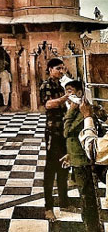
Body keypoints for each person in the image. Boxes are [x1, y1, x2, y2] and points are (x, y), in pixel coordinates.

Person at [40, 57, 75, 221]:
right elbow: (48, 104)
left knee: (64, 167)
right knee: (50, 170)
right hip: (53, 132)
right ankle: (48, 208)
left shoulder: (60, 86)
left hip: (62, 131)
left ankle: (64, 202)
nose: (61, 71)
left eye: (62, 69)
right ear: (50, 69)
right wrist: (64, 98)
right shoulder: (46, 85)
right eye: (58, 69)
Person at [62, 80, 100, 231]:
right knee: (86, 196)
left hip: (84, 161)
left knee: (87, 198)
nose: (67, 95)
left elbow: (67, 132)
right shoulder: (81, 111)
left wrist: (71, 109)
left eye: (70, 91)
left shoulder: (83, 113)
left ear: (79, 93)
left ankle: (92, 227)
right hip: (77, 159)